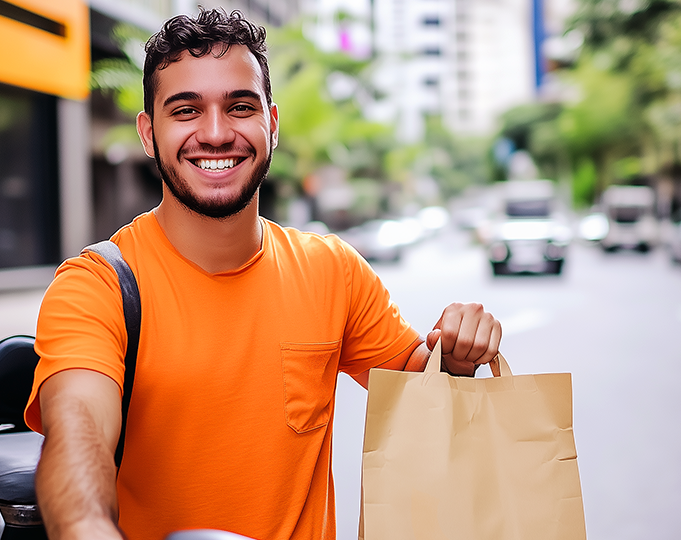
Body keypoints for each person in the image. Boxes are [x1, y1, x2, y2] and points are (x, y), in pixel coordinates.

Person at [24, 8, 501, 540]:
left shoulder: (333, 271)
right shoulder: (95, 287)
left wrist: (456, 359)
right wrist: (85, 527)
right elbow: (78, 435)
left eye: (240, 107)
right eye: (185, 110)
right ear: (147, 133)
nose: (215, 132)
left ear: (271, 125)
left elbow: (424, 401)